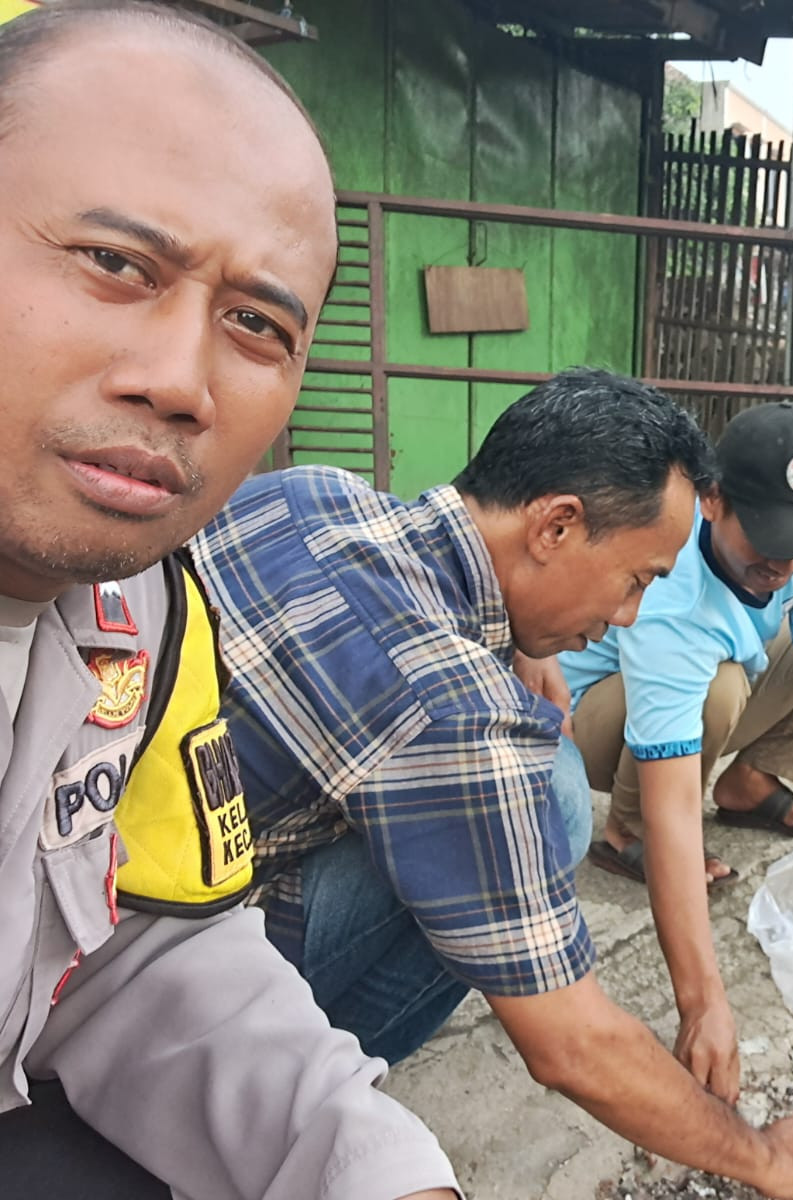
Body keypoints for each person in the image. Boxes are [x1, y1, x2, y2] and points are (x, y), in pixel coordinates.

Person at [191, 371, 793, 1200]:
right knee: (533, 805)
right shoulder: (457, 715)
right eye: (635, 579)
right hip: (154, 984)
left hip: (105, 870)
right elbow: (574, 1047)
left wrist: (520, 637)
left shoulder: (312, 491)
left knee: (547, 787)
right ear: (555, 525)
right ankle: (273, 1106)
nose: (626, 616)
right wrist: (767, 1158)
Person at [0, 3, 458, 1197]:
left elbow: (136, 950)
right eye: (114, 264)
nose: (180, 380)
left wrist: (378, 1169)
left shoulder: (136, 610)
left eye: (254, 324)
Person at [560, 401, 793, 1104]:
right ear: (713, 501)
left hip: (717, 673)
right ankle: (621, 833)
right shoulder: (668, 592)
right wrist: (703, 1003)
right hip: (596, 721)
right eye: (768, 542)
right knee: (714, 693)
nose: (785, 563)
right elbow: (676, 803)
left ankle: (749, 782)